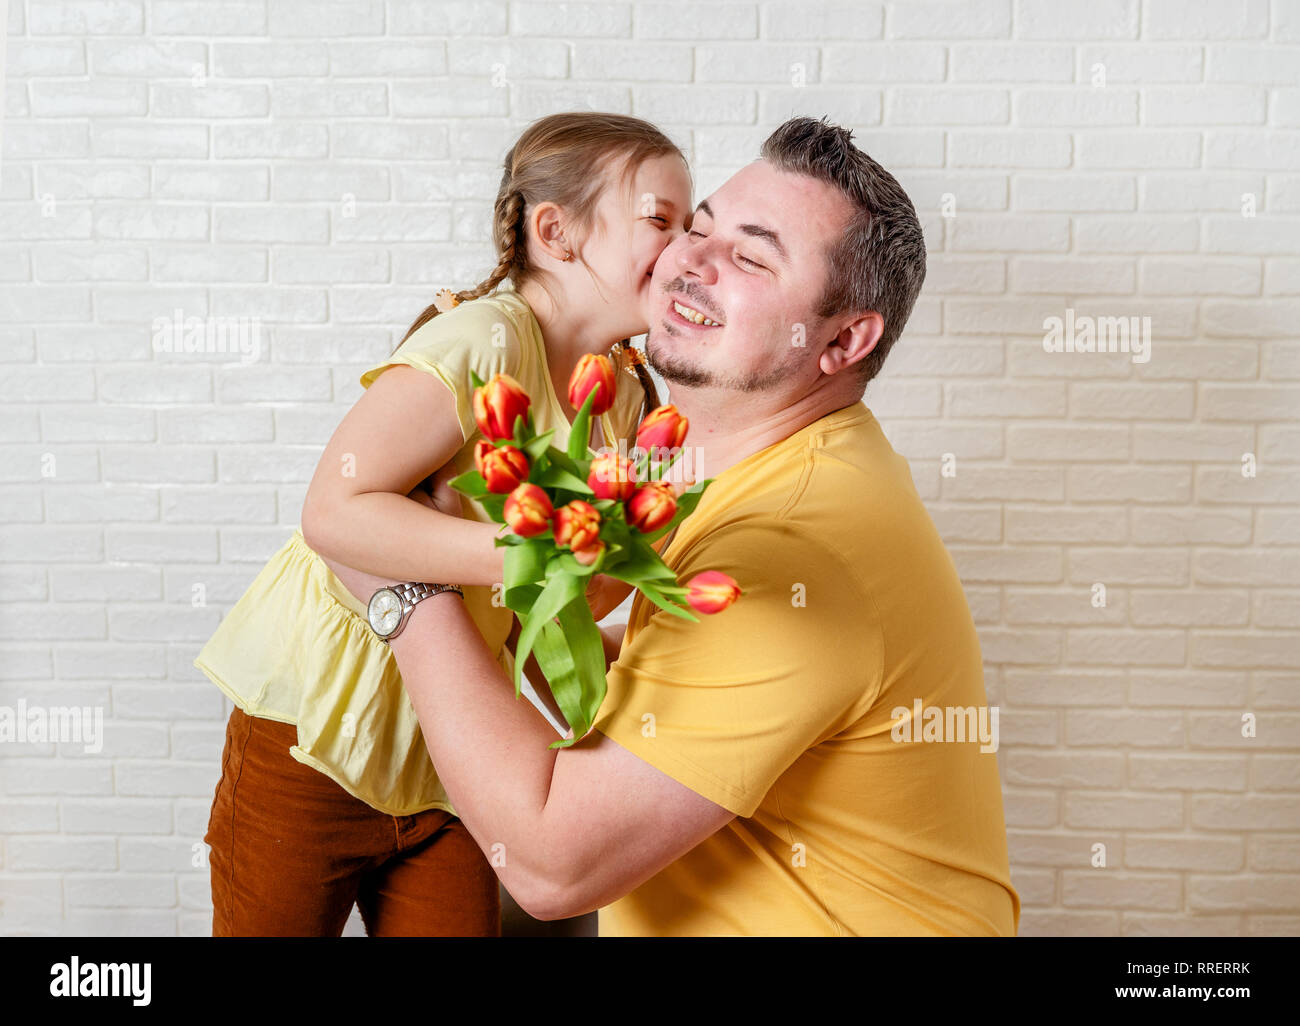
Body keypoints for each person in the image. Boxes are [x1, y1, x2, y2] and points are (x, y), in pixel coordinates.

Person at [324, 115, 1021, 937]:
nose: (687, 260)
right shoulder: (770, 469)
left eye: (752, 257)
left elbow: (552, 865)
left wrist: (402, 588)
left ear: (843, 339)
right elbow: (679, 681)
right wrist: (516, 605)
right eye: (697, 227)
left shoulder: (794, 547)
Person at [194, 112, 693, 936]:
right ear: (556, 232)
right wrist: (531, 553)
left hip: (455, 753)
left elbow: (572, 601)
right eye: (659, 221)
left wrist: (643, 538)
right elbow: (334, 511)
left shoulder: (625, 396)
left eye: (688, 224)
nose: (683, 250)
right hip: (314, 727)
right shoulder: (485, 341)